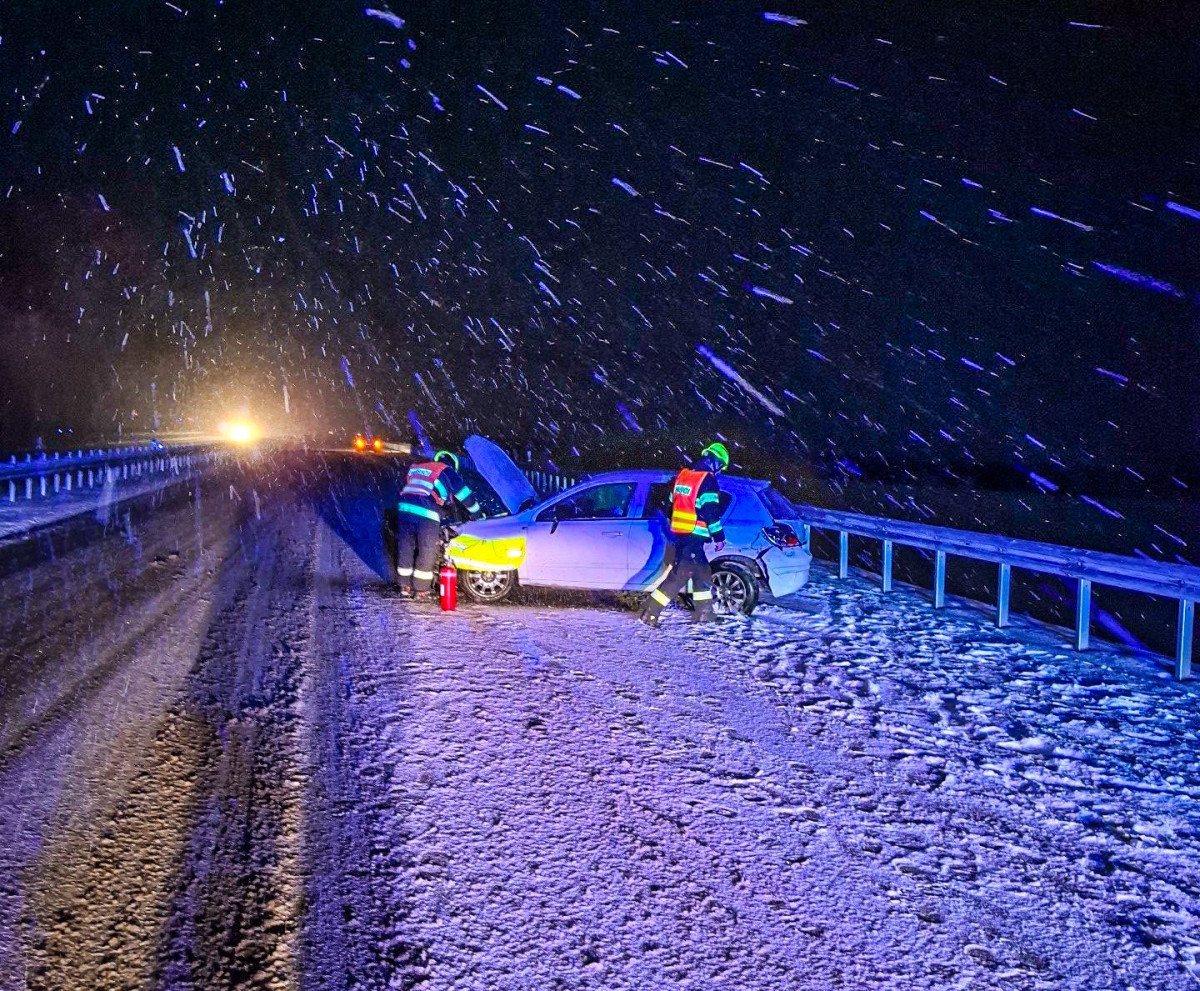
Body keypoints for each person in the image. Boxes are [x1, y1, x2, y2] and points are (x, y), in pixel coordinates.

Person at [640, 441, 729, 627]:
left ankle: (705, 614)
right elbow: (711, 512)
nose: (720, 471)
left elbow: (670, 503)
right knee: (679, 576)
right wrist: (719, 537)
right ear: (715, 462)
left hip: (681, 534)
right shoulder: (707, 480)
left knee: (702, 573)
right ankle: (649, 613)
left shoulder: (683, 476)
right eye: (721, 466)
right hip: (693, 536)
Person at [396, 450, 483, 599]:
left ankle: (404, 586)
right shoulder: (447, 471)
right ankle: (421, 590)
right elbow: (464, 495)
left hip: (404, 509)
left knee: (406, 547)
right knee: (427, 550)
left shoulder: (419, 467)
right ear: (453, 465)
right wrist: (477, 514)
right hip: (425, 512)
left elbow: (417, 489)